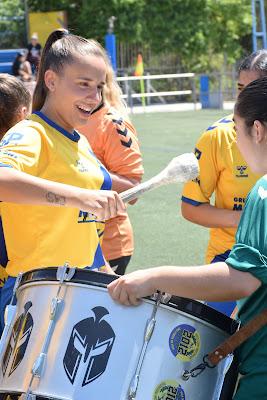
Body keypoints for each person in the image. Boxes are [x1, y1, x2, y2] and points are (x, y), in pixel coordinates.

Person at [108, 76, 267, 400]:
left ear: (258, 131)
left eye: (237, 132)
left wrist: (154, 277)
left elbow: (241, 279)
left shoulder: (263, 193)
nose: (236, 142)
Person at [0, 29, 125, 331]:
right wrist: (79, 196)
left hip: (77, 291)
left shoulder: (80, 141)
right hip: (33, 293)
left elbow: (82, 231)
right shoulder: (31, 133)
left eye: (98, 87)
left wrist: (110, 278)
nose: (94, 98)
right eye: (83, 85)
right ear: (52, 81)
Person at [181, 50, 267, 316]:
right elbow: (191, 207)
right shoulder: (217, 137)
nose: (243, 97)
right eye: (240, 87)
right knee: (217, 343)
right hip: (229, 257)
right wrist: (248, 220)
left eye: (252, 88)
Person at [78, 63, 144, 274]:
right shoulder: (65, 119)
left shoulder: (112, 123)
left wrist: (84, 169)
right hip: (71, 240)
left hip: (108, 245)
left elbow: (134, 190)